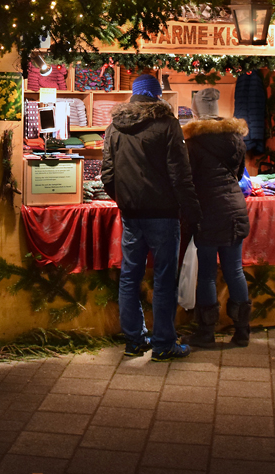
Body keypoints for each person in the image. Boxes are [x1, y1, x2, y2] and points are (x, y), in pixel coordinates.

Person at [103, 74, 201, 361]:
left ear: (134, 95)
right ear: (157, 95)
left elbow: (107, 175)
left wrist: (124, 200)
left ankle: (134, 341)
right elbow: (180, 174)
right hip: (163, 215)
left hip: (131, 215)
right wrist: (191, 210)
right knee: (163, 279)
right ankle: (163, 344)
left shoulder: (114, 127)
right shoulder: (167, 124)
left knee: (129, 277)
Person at [182, 88, 253, 348]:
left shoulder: (193, 142)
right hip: (235, 207)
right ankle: (242, 331)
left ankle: (206, 332)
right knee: (235, 270)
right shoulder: (235, 138)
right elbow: (239, 173)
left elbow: (188, 179)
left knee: (208, 275)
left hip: (209, 210)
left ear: (196, 111)